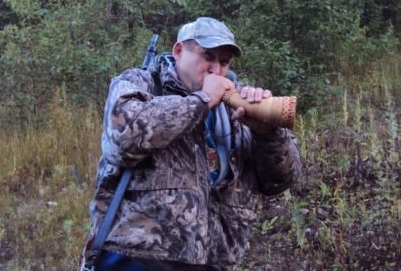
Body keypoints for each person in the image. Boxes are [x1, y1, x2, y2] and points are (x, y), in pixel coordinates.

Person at [81, 17, 302, 271]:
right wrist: (202, 101)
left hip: (213, 263)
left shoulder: (239, 106)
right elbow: (122, 139)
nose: (216, 70)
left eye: (224, 62)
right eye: (207, 56)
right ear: (178, 51)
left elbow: (281, 181)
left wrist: (267, 133)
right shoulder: (141, 83)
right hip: (135, 260)